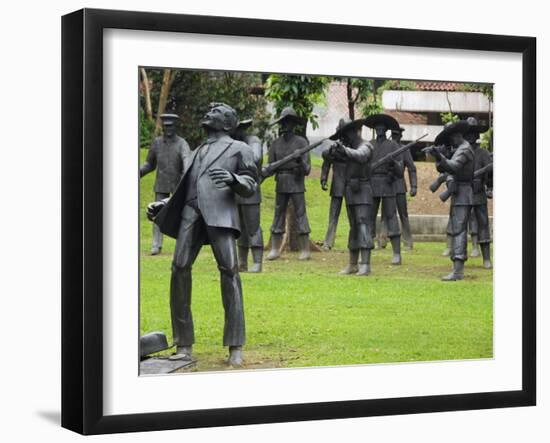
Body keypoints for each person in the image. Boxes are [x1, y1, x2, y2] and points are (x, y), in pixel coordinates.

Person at [147, 102, 258, 366]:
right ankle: (183, 343)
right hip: (190, 213)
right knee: (179, 268)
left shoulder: (239, 148)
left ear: (229, 123)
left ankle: (235, 345)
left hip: (220, 215)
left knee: (230, 271)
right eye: (208, 111)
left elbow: (252, 182)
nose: (208, 114)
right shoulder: (196, 151)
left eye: (216, 113)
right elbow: (187, 187)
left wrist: (234, 180)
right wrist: (163, 204)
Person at [426, 120, 474, 281]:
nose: (450, 142)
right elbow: (444, 168)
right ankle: (456, 268)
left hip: (464, 193)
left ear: (458, 136)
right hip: (459, 193)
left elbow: (453, 166)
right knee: (456, 228)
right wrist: (439, 155)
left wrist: (440, 156)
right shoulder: (460, 148)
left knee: (459, 230)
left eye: (452, 138)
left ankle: (458, 270)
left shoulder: (465, 149)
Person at [325, 118, 374, 275]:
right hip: (350, 191)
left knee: (363, 224)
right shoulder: (346, 148)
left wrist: (344, 150)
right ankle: (353, 264)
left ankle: (365, 264)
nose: (343, 138)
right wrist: (334, 150)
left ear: (352, 132)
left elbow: (360, 156)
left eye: (344, 134)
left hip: (363, 190)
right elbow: (327, 156)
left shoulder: (365, 146)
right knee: (354, 227)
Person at [265, 107, 312, 261]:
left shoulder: (302, 142)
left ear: (293, 124)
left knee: (301, 213)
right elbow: (270, 168)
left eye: (288, 122)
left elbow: (307, 170)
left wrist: (298, 160)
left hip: (296, 182)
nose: (285, 125)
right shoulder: (275, 144)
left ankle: (305, 249)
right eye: (283, 123)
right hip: (281, 182)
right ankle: (274, 249)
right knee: (278, 214)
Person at [139, 113, 190, 255]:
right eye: (166, 126)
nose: (168, 129)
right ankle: (156, 244)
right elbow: (149, 164)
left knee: (182, 214)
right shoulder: (157, 143)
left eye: (171, 126)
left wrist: (186, 179)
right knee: (157, 213)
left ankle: (183, 244)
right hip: (161, 183)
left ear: (176, 127)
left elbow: (187, 163)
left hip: (178, 185)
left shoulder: (182, 144)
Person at [364, 113, 404, 265]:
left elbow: (400, 171)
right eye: (377, 127)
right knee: (368, 217)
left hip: (388, 184)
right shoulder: (369, 145)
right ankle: (366, 248)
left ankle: (396, 253)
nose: (380, 129)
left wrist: (394, 164)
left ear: (386, 129)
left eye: (382, 127)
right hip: (372, 184)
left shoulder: (393, 146)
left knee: (391, 217)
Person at [232, 119, 264, 273]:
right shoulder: (233, 143)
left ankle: (257, 261)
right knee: (240, 227)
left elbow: (255, 158)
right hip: (236, 190)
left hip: (251, 190)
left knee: (253, 226)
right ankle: (242, 261)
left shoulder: (253, 141)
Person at [465, 117, 492, 268]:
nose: (470, 136)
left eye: (473, 134)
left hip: (478, 191)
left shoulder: (483, 153)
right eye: (467, 134)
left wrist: (487, 184)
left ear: (477, 136)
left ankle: (486, 258)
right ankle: (459, 257)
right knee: (461, 224)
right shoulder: (460, 151)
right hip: (463, 192)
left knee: (483, 224)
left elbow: (491, 172)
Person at [390, 126, 417, 250]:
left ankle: (407, 241)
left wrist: (414, 186)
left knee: (403, 214)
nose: (394, 137)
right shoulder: (387, 148)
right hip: (387, 185)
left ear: (401, 136)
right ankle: (381, 240)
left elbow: (412, 168)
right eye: (393, 134)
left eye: (397, 135)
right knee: (387, 214)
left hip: (400, 185)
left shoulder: (404, 150)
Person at [320, 139, 346, 249]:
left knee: (355, 216)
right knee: (333, 215)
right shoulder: (334, 148)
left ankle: (357, 241)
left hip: (352, 184)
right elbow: (326, 163)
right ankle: (328, 242)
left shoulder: (354, 145)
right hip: (338, 184)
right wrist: (323, 179)